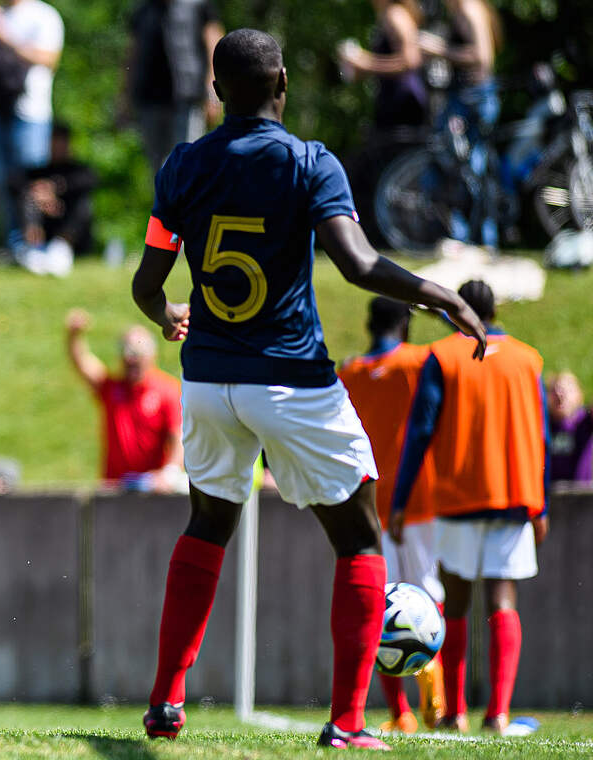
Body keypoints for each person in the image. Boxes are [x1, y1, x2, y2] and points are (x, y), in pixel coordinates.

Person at [129, 29, 486, 749]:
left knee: (207, 525)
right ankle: (350, 723)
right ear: (283, 81)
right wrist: (437, 293)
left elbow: (146, 282)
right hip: (290, 380)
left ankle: (165, 702)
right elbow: (356, 264)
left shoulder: (182, 165)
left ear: (217, 90)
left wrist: (165, 314)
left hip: (205, 381)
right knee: (359, 534)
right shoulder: (309, 162)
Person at [391, 280, 546, 735]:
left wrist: (399, 501)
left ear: (453, 312)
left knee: (454, 605)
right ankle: (497, 713)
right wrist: (542, 503)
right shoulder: (527, 359)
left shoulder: (442, 356)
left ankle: (454, 712)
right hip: (515, 494)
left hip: (459, 495)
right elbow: (539, 435)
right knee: (502, 600)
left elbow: (420, 430)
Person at [337, 297, 445, 733]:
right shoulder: (420, 362)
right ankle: (441, 700)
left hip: (365, 501)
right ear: (405, 323)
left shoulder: (349, 371)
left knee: (376, 604)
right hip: (419, 499)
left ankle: (399, 712)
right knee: (428, 596)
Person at [0, 0, 64, 256]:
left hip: (31, 113)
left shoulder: (44, 15)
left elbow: (49, 58)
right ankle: (13, 244)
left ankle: (37, 245)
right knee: (2, 182)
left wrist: (6, 36)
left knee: (33, 183)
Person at [65, 309, 183, 492]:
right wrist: (74, 335)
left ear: (151, 356)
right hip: (114, 488)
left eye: (138, 354)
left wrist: (171, 473)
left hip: (151, 489)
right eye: (127, 353)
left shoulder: (167, 390)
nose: (131, 360)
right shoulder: (112, 388)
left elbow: (178, 437)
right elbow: (82, 362)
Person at [419, 0, 503, 248]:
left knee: (471, 172)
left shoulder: (469, 9)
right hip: (463, 98)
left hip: (474, 100)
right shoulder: (458, 11)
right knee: (458, 170)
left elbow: (483, 58)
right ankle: (467, 237)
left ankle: (479, 240)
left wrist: (439, 50)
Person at [119, 0, 223, 177]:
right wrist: (124, 98)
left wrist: (213, 91)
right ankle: (165, 204)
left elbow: (214, 44)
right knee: (157, 168)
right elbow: (132, 55)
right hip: (149, 98)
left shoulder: (198, 5)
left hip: (187, 97)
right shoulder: (143, 10)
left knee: (187, 159)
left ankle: (188, 204)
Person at [12, 121, 98, 277]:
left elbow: (90, 180)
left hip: (72, 232)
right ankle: (34, 247)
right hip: (45, 229)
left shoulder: (77, 170)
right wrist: (39, 194)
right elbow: (13, 183)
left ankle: (62, 247)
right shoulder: (39, 171)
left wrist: (54, 188)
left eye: (61, 141)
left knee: (83, 202)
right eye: (54, 141)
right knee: (28, 197)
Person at [336, 0, 429, 131]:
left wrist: (366, 63)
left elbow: (411, 60)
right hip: (390, 101)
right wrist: (358, 65)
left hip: (405, 101)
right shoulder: (385, 15)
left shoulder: (395, 14)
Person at [547, 370, 592, 484]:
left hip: (582, 496)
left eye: (569, 389)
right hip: (548, 496)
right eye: (554, 390)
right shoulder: (542, 425)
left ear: (580, 395)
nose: (560, 394)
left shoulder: (585, 422)